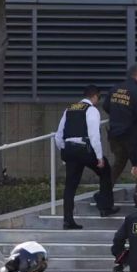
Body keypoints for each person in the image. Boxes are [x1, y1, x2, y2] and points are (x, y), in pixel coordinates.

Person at [54, 84, 118, 229]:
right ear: (95, 96)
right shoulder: (92, 110)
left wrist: (64, 150)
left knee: (70, 186)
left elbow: (58, 135)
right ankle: (105, 206)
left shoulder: (69, 109)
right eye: (98, 98)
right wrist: (100, 157)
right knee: (105, 171)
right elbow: (94, 135)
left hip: (69, 149)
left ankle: (68, 220)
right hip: (84, 149)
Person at [103, 64, 137, 190]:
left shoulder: (115, 89)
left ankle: (105, 192)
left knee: (118, 164)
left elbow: (106, 106)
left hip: (115, 134)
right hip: (131, 136)